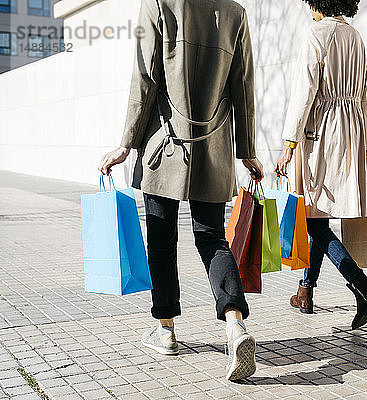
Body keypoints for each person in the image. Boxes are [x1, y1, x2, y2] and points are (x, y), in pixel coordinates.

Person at [98, 0, 262, 381]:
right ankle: (235, 325)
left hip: (165, 146)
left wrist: (126, 143)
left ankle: (166, 330)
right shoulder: (234, 12)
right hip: (213, 148)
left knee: (161, 238)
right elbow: (244, 85)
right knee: (213, 238)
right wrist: (247, 151)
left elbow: (145, 77)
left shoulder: (158, 3)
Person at [275, 0, 367, 330]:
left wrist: (289, 144)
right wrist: (362, 149)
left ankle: (362, 285)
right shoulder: (356, 38)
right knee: (316, 215)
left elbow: (304, 92)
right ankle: (305, 291)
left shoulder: (316, 34)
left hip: (319, 131)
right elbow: (365, 97)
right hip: (350, 131)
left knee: (312, 219)